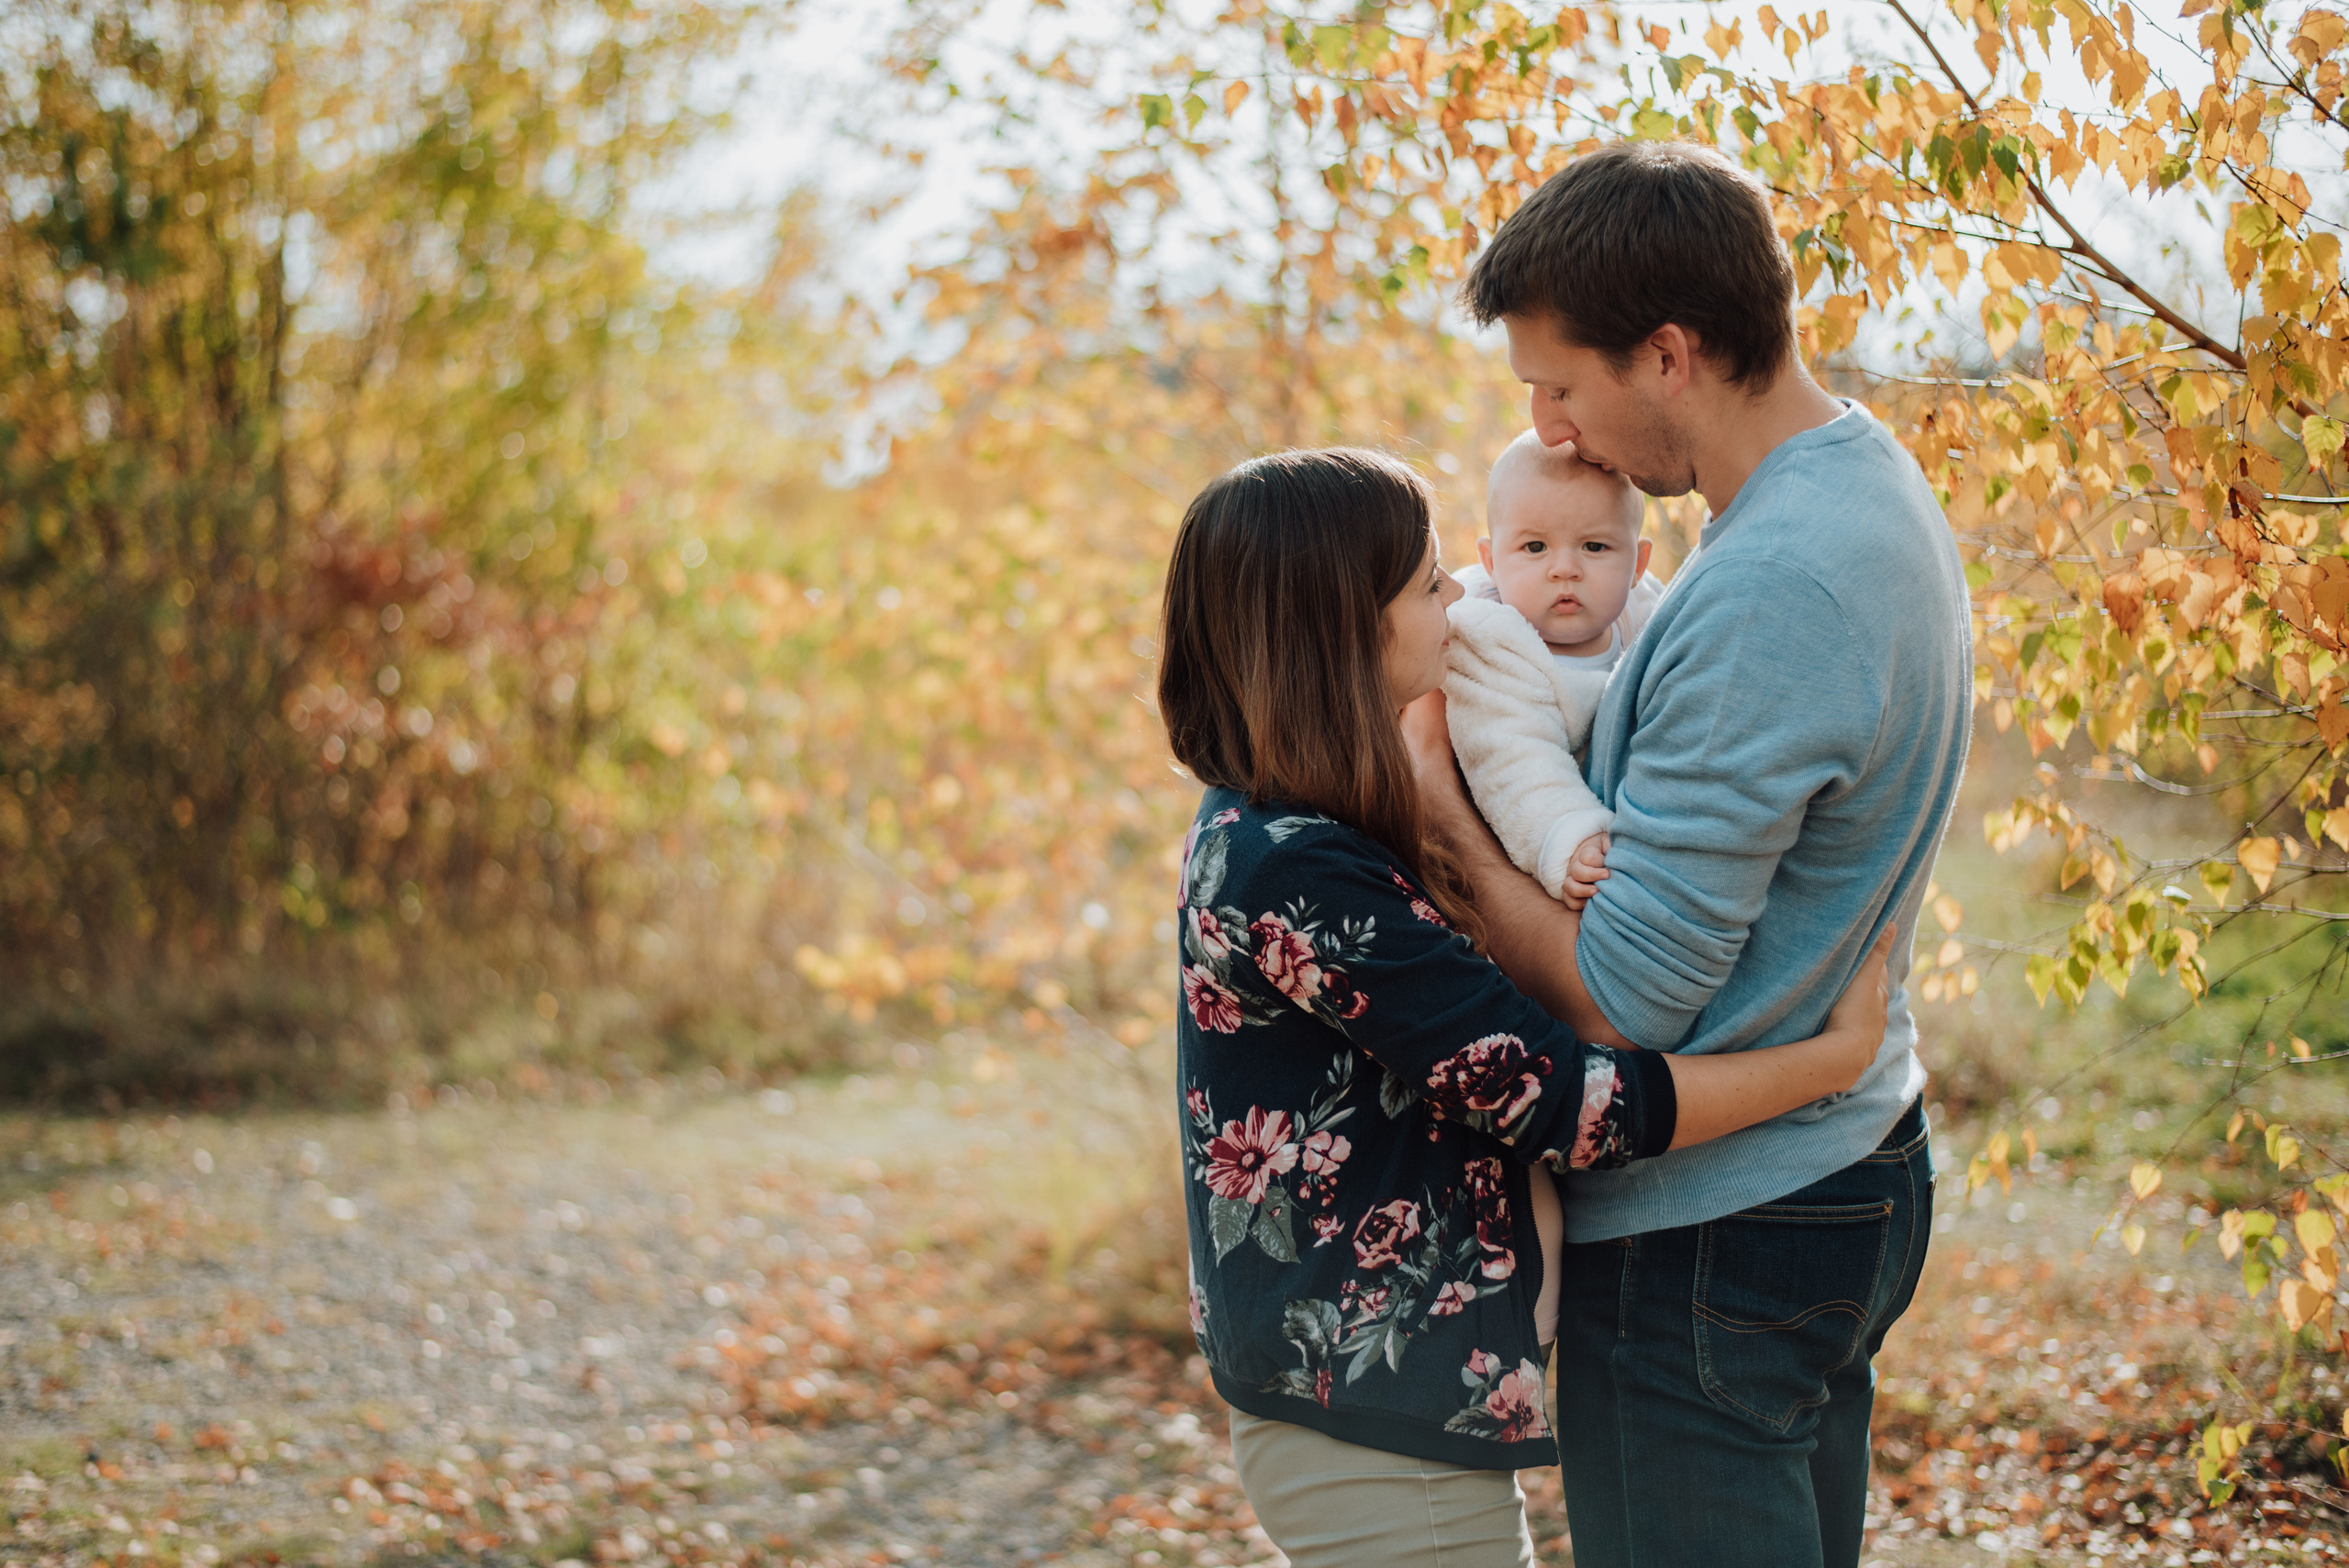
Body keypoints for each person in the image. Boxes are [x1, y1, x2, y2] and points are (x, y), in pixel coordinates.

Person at [1158, 443, 1898, 1568]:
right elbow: (1564, 1103)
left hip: (1374, 1406)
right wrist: (1831, 1059)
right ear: (1338, 625)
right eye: (1428, 581)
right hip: (1370, 1420)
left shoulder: (1277, 826)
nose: (1462, 598)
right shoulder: (1294, 872)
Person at [1404, 140, 1973, 1568]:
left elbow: (1620, 1000)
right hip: (1836, 1158)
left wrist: (1436, 811)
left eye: (1561, 384)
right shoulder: (1861, 480)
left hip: (1719, 1230)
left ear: (1667, 355)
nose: (1552, 426)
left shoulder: (1768, 586)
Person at [1440, 432, 1662, 905]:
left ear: (1638, 563)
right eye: (1536, 547)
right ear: (1491, 561)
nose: (1565, 569)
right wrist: (1566, 833)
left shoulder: (1645, 617)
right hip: (1519, 856)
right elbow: (1510, 758)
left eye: (1595, 547)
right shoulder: (1491, 649)